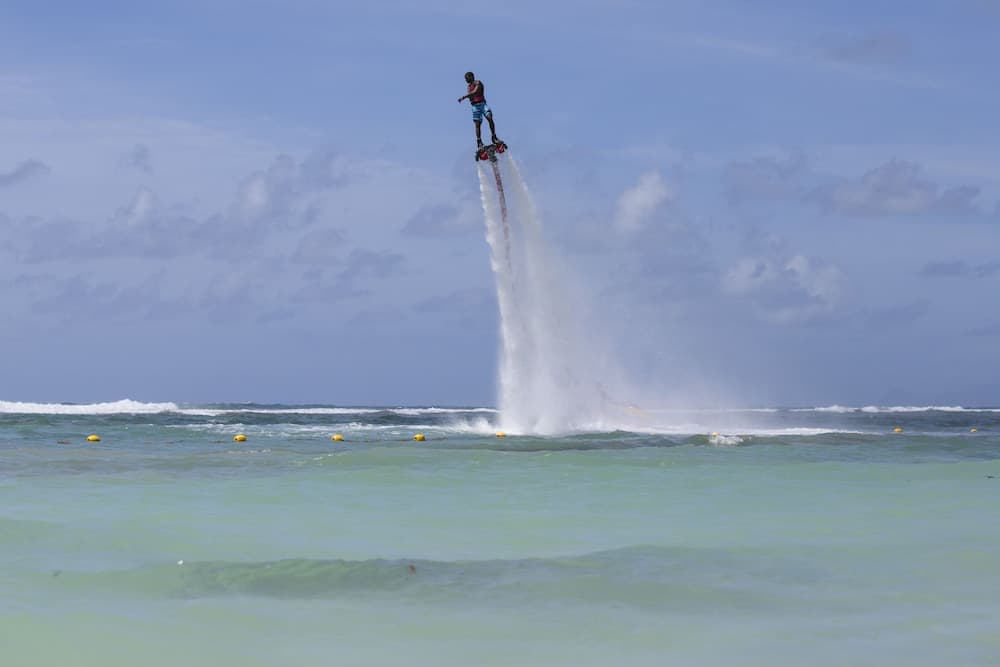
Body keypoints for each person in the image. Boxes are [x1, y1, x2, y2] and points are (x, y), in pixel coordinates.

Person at [457, 71, 501, 148]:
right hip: (475, 106)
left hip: (482, 104)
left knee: (490, 118)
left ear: (471, 77)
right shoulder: (469, 86)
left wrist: (464, 97)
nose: (466, 80)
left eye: (467, 78)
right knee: (477, 124)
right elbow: (471, 96)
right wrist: (469, 97)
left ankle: (494, 137)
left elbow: (475, 92)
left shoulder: (478, 82)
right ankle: (479, 141)